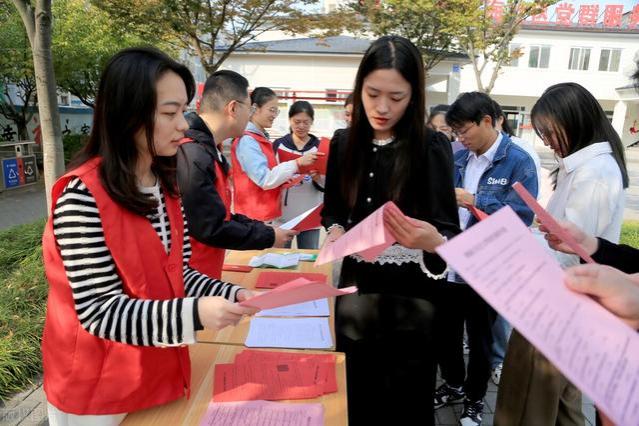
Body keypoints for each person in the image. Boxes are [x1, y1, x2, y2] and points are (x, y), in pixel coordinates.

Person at [41, 47, 259, 425]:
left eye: (183, 111)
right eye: (170, 113)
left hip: (154, 371)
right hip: (96, 389)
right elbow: (99, 310)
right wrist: (196, 313)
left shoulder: (164, 184)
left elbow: (178, 271)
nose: (183, 125)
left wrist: (230, 293)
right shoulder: (82, 196)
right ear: (127, 114)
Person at [321, 35, 460, 425]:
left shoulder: (431, 147)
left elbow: (449, 232)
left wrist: (431, 241)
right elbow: (332, 210)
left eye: (396, 97)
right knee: (355, 401)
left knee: (405, 407)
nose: (382, 107)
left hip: (412, 305)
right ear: (359, 88)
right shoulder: (344, 143)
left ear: (414, 96)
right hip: (356, 297)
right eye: (373, 94)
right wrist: (334, 230)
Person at [495, 82, 628, 426]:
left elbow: (574, 253)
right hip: (563, 299)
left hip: (560, 303)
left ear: (575, 121)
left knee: (537, 402)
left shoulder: (596, 172)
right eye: (542, 132)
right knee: (564, 402)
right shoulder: (581, 167)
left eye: (550, 132)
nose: (546, 141)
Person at [432, 91, 537, 426]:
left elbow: (520, 218)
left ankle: (475, 400)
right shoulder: (459, 158)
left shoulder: (518, 161)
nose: (460, 138)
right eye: (456, 133)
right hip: (450, 262)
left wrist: (473, 200)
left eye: (465, 131)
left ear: (488, 121)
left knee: (480, 339)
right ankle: (453, 383)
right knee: (446, 333)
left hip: (489, 269)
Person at [176, 71, 296, 279]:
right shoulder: (193, 153)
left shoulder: (209, 149)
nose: (250, 116)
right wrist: (267, 236)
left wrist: (263, 230)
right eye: (249, 108)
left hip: (206, 272)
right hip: (192, 278)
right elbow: (211, 227)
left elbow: (222, 214)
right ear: (233, 108)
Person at [488, 99, 543, 386]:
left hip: (506, 249)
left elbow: (524, 209)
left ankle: (499, 361)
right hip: (475, 251)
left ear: (495, 120)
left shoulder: (521, 155)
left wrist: (477, 201)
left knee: (499, 313)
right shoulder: (464, 154)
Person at [231, 87, 318, 222]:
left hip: (263, 214)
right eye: (271, 110)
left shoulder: (259, 139)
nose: (274, 115)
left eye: (276, 111)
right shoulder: (248, 141)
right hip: (254, 216)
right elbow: (265, 179)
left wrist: (283, 178)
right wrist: (297, 163)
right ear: (254, 108)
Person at [273, 101, 324, 249]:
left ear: (312, 122)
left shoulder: (320, 147)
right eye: (297, 122)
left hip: (310, 214)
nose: (301, 126)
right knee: (279, 259)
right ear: (289, 120)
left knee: (308, 257)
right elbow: (270, 176)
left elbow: (329, 183)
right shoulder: (279, 144)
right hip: (283, 215)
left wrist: (318, 179)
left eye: (306, 122)